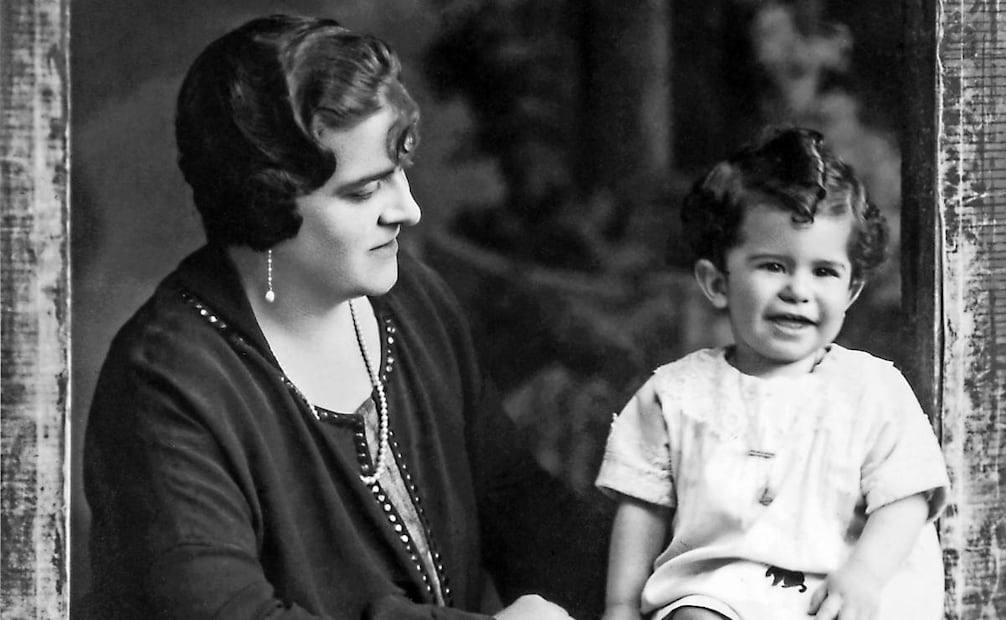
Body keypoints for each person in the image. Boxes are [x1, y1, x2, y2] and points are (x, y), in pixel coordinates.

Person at [83, 14, 607, 620]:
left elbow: (519, 508)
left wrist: (680, 579)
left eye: (400, 172)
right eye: (364, 191)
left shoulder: (413, 304)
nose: (407, 210)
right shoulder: (169, 380)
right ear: (267, 202)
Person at [595, 127, 950, 620]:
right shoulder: (675, 394)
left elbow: (907, 496)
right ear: (717, 282)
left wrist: (864, 574)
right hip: (723, 592)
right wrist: (619, 606)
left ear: (850, 292)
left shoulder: (873, 390)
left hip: (836, 592)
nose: (798, 291)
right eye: (773, 266)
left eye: (824, 271)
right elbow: (642, 508)